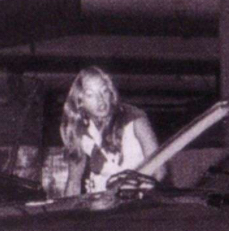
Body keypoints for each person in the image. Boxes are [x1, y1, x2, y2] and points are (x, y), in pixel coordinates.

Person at [57, 66, 159, 194]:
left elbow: (159, 170)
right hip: (102, 202)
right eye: (91, 95)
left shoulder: (136, 119)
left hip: (137, 201)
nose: (100, 100)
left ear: (111, 93)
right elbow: (73, 183)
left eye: (104, 91)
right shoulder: (80, 131)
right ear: (80, 101)